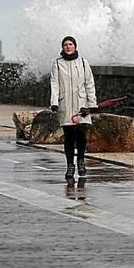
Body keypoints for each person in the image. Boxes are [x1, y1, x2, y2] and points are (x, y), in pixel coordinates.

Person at [50, 36, 97, 180]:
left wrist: (91, 104)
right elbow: (55, 84)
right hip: (65, 104)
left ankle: (81, 161)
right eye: (65, 45)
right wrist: (54, 102)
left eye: (70, 44)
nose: (68, 47)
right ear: (62, 47)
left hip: (81, 105)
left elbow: (89, 84)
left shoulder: (83, 62)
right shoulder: (58, 64)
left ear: (75, 46)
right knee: (69, 136)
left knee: (81, 134)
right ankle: (70, 165)